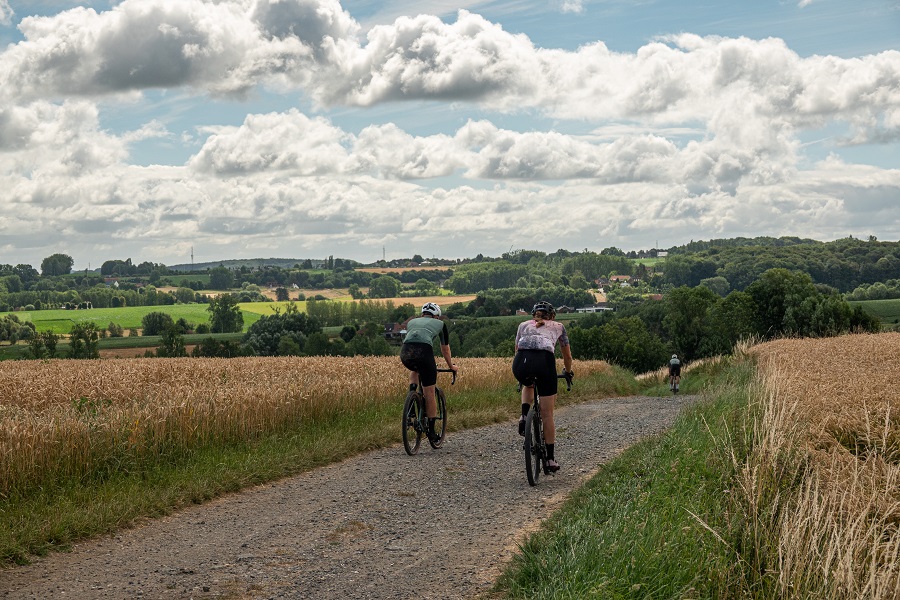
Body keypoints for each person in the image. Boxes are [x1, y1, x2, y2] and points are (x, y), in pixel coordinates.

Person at [512, 301, 573, 473]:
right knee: (547, 414)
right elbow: (567, 355)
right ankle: (550, 459)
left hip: (520, 364)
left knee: (528, 383)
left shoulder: (522, 325)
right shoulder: (559, 326)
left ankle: (524, 415)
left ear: (533, 314)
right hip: (544, 364)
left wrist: (521, 373)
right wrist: (568, 372)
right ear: (552, 316)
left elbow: (517, 349)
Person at [400, 302, 458, 443]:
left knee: (415, 368)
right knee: (430, 392)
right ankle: (431, 432)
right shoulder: (440, 324)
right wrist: (452, 366)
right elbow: (445, 349)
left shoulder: (412, 322)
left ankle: (412, 397)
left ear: (422, 314)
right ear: (436, 316)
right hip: (424, 353)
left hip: (405, 352)